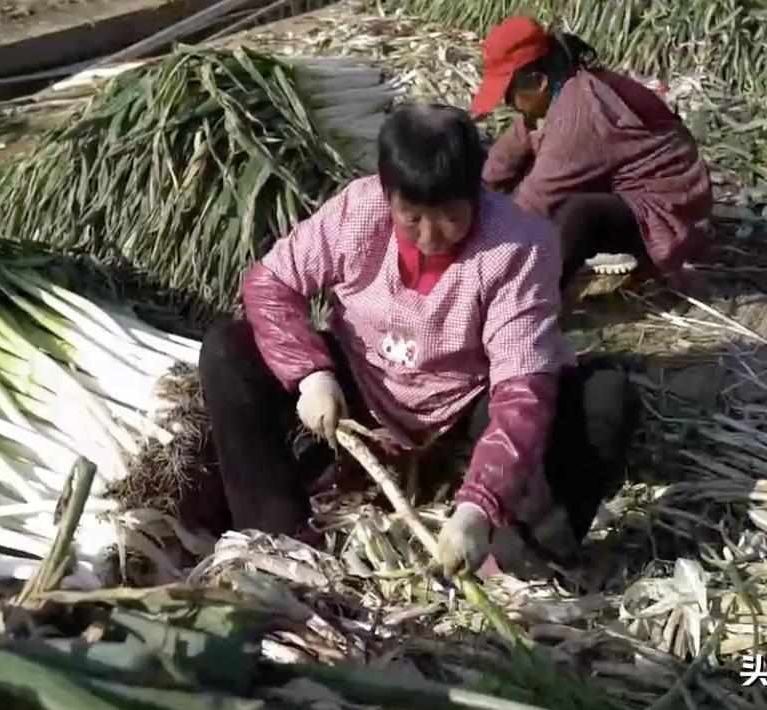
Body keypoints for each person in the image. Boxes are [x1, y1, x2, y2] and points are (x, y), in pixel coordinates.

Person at [190, 103, 633, 579]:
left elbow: (519, 389)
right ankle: (278, 537)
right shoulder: (358, 211)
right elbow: (271, 283)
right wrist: (310, 374)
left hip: (464, 401)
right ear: (388, 193)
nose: (430, 237)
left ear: (476, 197)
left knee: (604, 399)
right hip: (366, 380)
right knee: (228, 352)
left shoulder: (518, 246)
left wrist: (478, 506)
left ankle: (517, 559)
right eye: (411, 217)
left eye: (450, 218)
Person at [469, 16, 713, 292]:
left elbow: (533, 204)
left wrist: (475, 250)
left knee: (578, 215)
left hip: (666, 210)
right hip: (618, 188)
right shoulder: (560, 92)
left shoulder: (579, 116)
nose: (508, 104)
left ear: (538, 81)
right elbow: (507, 155)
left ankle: (532, 301)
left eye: (509, 95)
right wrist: (475, 197)